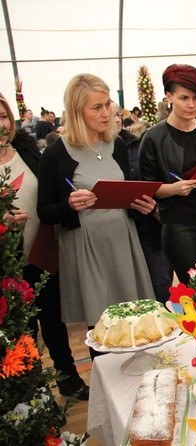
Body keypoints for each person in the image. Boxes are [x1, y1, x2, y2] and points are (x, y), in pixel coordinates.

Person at [36, 74, 156, 360]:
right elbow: (45, 212)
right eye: (97, 107)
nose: (107, 113)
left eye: (108, 105)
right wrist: (69, 204)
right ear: (77, 111)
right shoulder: (55, 154)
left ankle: (139, 378)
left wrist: (140, 205)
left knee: (135, 319)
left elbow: (123, 192)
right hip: (86, 248)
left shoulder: (117, 146)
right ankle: (108, 388)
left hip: (123, 241)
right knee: (102, 328)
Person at [0, 92, 89, 399]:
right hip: (7, 263)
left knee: (54, 321)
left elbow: (49, 197)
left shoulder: (29, 152)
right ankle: (37, 394)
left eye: (2, 117)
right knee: (23, 332)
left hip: (43, 251)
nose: (0, 125)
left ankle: (69, 379)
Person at [139, 64, 196, 284]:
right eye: (184, 98)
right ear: (168, 97)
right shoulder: (154, 137)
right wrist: (173, 189)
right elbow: (146, 188)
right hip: (180, 224)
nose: (191, 105)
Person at [111, 102, 172, 303]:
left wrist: (155, 206)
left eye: (118, 114)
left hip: (149, 228)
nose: (116, 119)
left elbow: (158, 181)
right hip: (115, 233)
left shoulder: (138, 146)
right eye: (111, 114)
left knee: (160, 287)